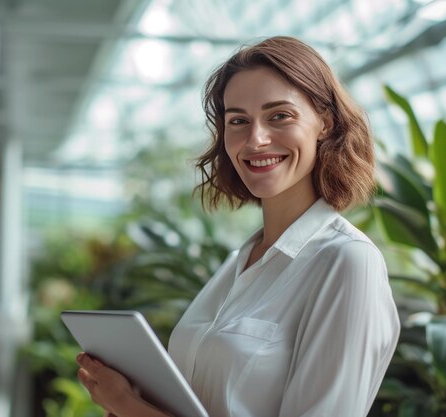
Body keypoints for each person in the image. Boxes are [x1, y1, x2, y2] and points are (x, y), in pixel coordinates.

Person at [76, 36, 400, 417]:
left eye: (279, 115)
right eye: (238, 121)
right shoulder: (238, 263)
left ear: (324, 123)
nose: (255, 139)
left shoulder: (347, 263)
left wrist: (129, 407)